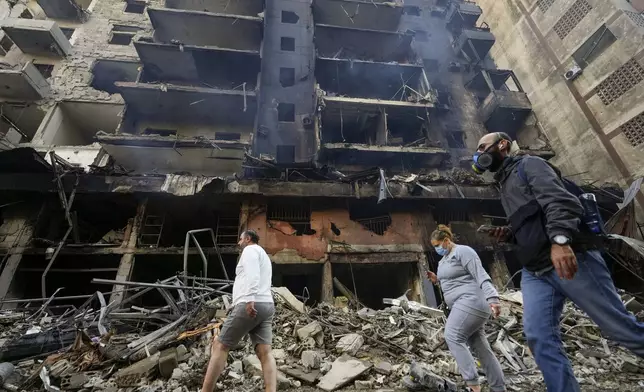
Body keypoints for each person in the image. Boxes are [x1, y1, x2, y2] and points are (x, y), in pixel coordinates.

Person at [473, 132, 644, 392]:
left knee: (619, 327)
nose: (479, 154)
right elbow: (533, 220)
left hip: (570, 258)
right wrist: (509, 232)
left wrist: (561, 241)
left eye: (482, 147)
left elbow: (561, 201)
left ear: (502, 145)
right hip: (535, 271)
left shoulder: (529, 165)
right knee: (539, 337)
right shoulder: (504, 184)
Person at [427, 225, 506, 392]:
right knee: (480, 347)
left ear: (446, 241)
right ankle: (498, 387)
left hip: (471, 302)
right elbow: (452, 281)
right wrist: (437, 280)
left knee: (452, 335)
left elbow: (480, 274)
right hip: (462, 305)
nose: (436, 249)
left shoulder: (463, 252)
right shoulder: (444, 260)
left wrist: (493, 297)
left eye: (437, 245)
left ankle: (473, 386)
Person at [201, 230, 276, 392]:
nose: (238, 242)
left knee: (220, 345)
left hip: (251, 303)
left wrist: (249, 299)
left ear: (248, 239)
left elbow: (252, 275)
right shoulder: (263, 254)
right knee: (265, 352)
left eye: (240, 239)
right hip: (267, 305)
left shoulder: (249, 250)